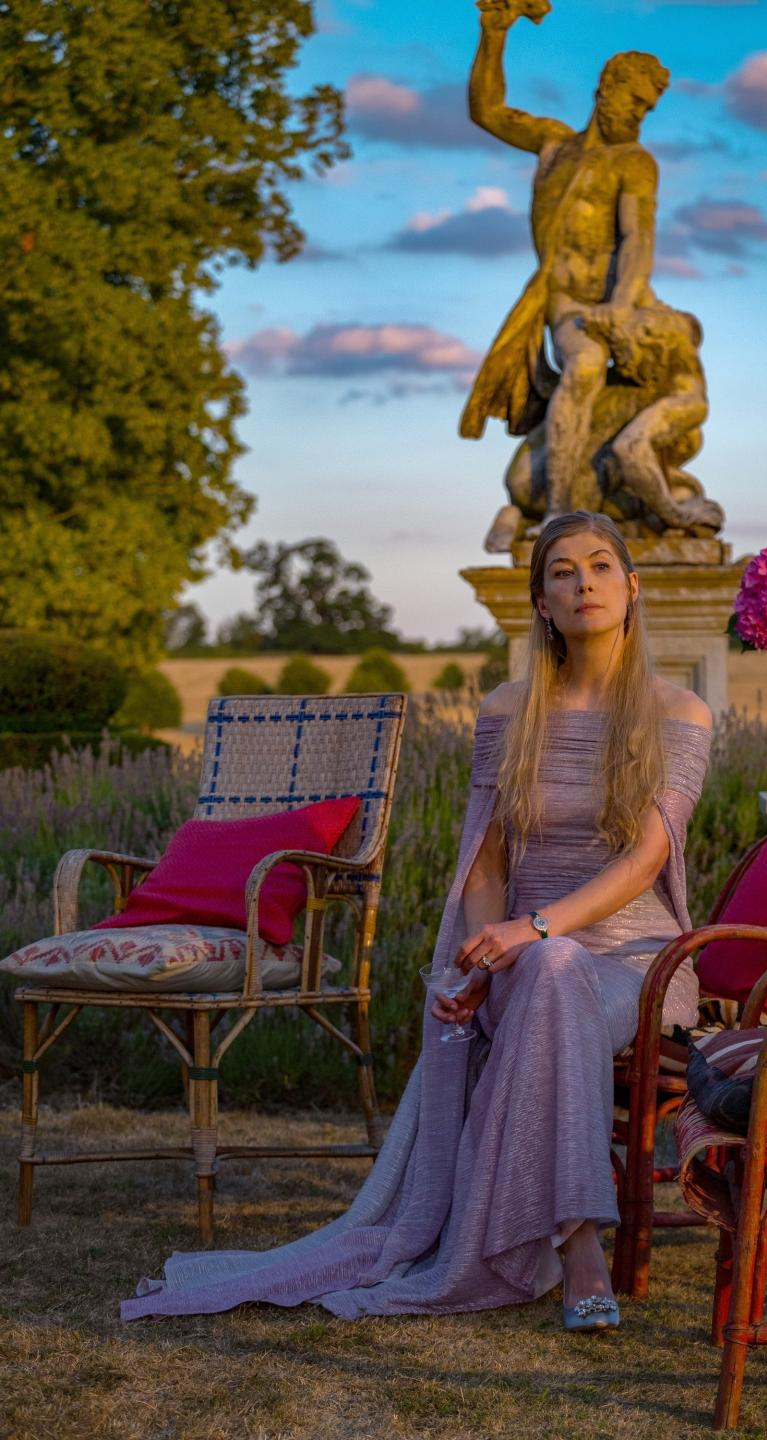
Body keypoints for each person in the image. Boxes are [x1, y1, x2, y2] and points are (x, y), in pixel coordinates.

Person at [120, 511, 711, 1329]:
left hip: (638, 960)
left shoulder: (680, 713)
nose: (586, 584)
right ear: (541, 600)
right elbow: (488, 865)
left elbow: (644, 861)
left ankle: (575, 1244)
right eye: (565, 572)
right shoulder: (509, 710)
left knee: (558, 965)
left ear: (632, 586)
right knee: (548, 971)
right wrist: (483, 957)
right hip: (526, 956)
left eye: (603, 566)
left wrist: (533, 931)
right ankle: (578, 1245)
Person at [460, 0, 671, 527]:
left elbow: (636, 238)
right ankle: (558, 509)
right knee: (580, 364)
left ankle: (571, 505)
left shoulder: (635, 162)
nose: (638, 116)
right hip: (558, 301)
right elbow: (488, 111)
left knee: (604, 364)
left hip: (610, 302)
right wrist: (494, 34)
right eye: (635, 101)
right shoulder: (556, 144)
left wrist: (622, 306)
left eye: (646, 110)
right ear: (607, 87)